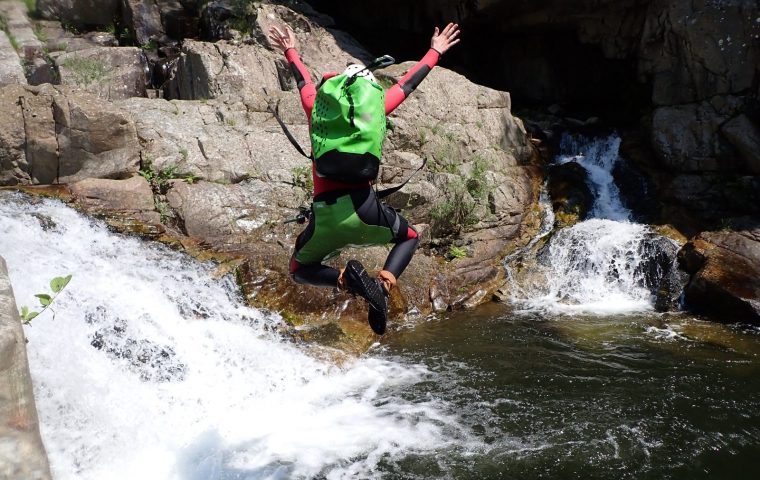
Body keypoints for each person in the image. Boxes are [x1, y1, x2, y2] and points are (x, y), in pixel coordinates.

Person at [268, 22, 461, 335]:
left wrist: (291, 49)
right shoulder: (377, 109)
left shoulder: (315, 109)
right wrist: (434, 52)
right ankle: (382, 286)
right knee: (409, 237)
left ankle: (345, 279)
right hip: (365, 209)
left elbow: (302, 79)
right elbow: (407, 84)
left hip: (327, 217)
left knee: (298, 269)